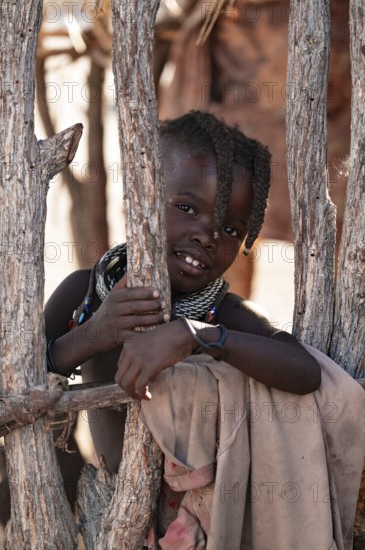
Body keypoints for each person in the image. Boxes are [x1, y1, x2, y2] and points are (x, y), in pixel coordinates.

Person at [45, 110, 321, 474]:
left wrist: (195, 335)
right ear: (144, 197)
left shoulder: (219, 315)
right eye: (187, 208)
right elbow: (22, 380)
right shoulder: (84, 295)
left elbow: (306, 372)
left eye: (232, 230)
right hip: (104, 506)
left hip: (193, 518)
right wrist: (96, 331)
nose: (207, 237)